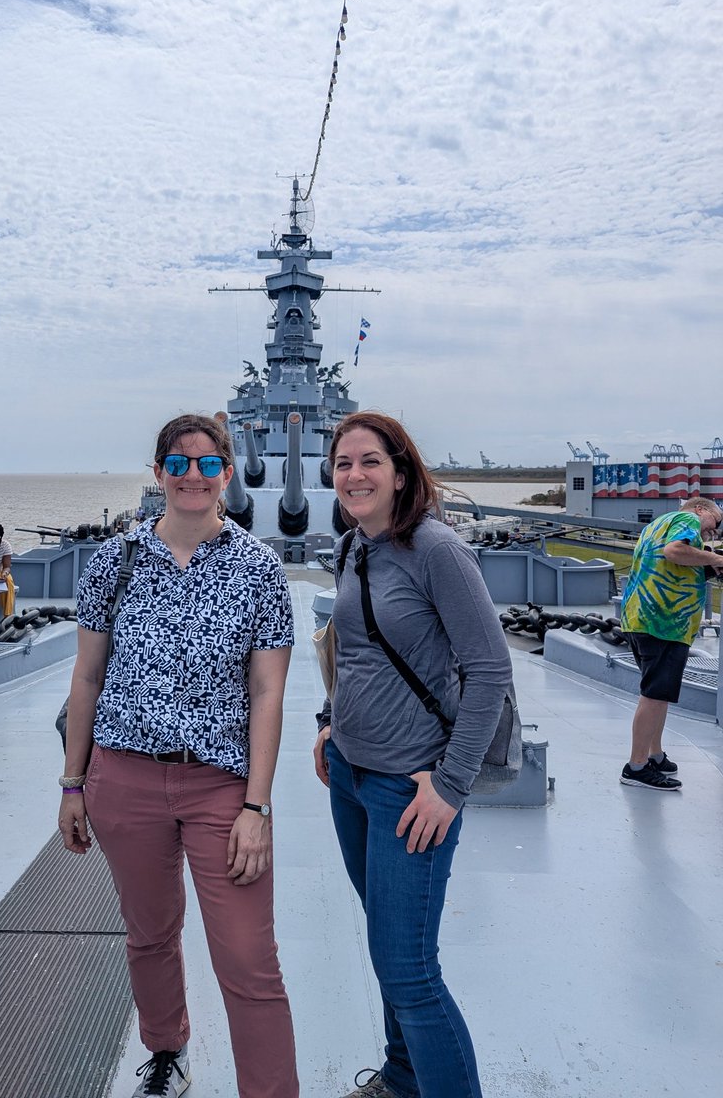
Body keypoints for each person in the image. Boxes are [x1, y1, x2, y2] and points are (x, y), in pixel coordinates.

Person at [59, 414, 299, 1098]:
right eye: (177, 461)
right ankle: (167, 1052)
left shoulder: (258, 568)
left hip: (221, 785)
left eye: (206, 463)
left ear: (227, 472)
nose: (192, 475)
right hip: (125, 778)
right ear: (159, 470)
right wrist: (73, 784)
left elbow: (267, 692)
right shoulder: (117, 560)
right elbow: (86, 677)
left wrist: (257, 804)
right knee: (149, 934)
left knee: (250, 957)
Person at [313, 412, 513, 1098]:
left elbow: (489, 671)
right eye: (343, 464)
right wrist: (328, 723)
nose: (355, 475)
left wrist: (451, 786)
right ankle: (402, 1079)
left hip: (411, 788)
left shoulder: (436, 550)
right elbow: (353, 651)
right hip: (350, 775)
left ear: (401, 472)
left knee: (409, 972)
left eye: (370, 462)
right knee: (384, 943)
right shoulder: (352, 548)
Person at [618, 495, 723, 791]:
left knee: (657, 693)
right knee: (653, 695)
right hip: (663, 622)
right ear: (701, 509)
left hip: (640, 617)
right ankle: (636, 767)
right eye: (715, 522)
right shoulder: (689, 519)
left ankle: (655, 754)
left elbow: (670, 560)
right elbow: (675, 551)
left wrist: (703, 560)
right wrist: (716, 558)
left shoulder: (657, 523)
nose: (713, 531)